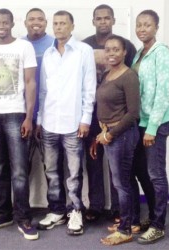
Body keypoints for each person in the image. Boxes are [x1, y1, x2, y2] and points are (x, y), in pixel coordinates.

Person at [0, 8, 38, 240]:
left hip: (15, 114)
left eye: (5, 22)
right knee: (0, 168)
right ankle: (4, 214)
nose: (1, 26)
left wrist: (29, 117)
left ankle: (23, 217)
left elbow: (31, 82)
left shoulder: (24, 47)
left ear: (13, 24)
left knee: (20, 170)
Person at [36, 10, 96, 235]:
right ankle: (57, 210)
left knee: (73, 172)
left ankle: (75, 211)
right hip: (50, 122)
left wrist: (85, 119)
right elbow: (43, 91)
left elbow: (89, 88)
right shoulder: (49, 54)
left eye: (63, 23)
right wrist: (40, 119)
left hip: (73, 123)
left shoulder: (84, 51)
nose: (59, 27)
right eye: (56, 23)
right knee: (51, 170)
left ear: (72, 26)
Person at [82, 4, 137, 223]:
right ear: (93, 20)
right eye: (99, 18)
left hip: (118, 115)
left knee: (119, 166)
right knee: (94, 161)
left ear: (113, 20)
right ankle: (95, 206)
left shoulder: (126, 45)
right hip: (91, 113)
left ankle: (118, 209)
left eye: (107, 18)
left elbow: (129, 77)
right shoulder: (84, 45)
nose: (103, 21)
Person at [132, 9, 169, 244]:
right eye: (139, 25)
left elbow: (163, 92)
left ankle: (158, 225)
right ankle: (152, 215)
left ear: (156, 27)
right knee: (142, 172)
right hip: (140, 122)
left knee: (156, 174)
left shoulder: (161, 53)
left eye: (147, 25)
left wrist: (152, 127)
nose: (142, 29)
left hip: (156, 124)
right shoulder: (139, 53)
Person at [23, 8, 67, 230]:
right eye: (32, 19)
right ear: (24, 22)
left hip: (50, 116)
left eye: (40, 19)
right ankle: (21, 210)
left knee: (53, 167)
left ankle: (56, 208)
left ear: (47, 22)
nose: (36, 22)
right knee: (21, 166)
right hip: (22, 115)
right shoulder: (19, 45)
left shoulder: (54, 45)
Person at [95, 35, 140, 246]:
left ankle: (124, 230)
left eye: (116, 50)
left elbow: (132, 114)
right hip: (109, 134)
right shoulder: (107, 73)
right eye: (108, 49)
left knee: (121, 184)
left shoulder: (129, 76)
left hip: (121, 136)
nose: (111, 53)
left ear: (124, 52)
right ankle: (130, 221)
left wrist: (110, 134)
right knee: (126, 181)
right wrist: (103, 132)